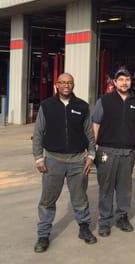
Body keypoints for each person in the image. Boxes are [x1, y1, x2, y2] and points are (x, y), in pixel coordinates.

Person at [32, 73, 97, 253]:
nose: (66, 85)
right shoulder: (47, 106)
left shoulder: (82, 106)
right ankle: (43, 235)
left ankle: (84, 228)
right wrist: (38, 157)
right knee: (47, 199)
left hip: (78, 161)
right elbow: (38, 133)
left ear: (73, 85)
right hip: (53, 161)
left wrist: (91, 156)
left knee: (80, 198)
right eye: (62, 82)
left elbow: (89, 134)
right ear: (56, 85)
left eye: (69, 82)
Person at [92, 68, 135, 237]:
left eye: (127, 79)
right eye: (121, 79)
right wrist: (92, 148)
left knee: (125, 187)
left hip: (128, 152)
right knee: (106, 187)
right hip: (106, 151)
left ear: (130, 82)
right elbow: (96, 124)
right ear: (114, 82)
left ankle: (122, 217)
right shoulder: (104, 101)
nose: (124, 82)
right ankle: (105, 221)